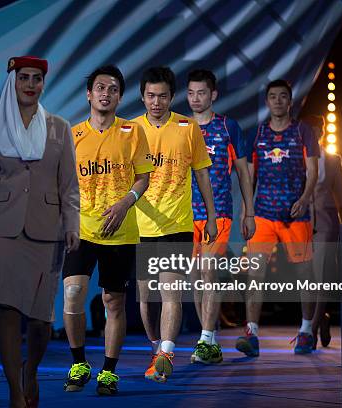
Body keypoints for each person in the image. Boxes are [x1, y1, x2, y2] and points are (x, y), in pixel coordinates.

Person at [0, 56, 80, 408]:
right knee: (9, 313)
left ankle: (30, 370)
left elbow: (70, 187)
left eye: (37, 79)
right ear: (12, 83)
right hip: (3, 232)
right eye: (24, 78)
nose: (30, 84)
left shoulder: (60, 128)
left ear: (43, 84)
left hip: (48, 231)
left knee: (42, 321)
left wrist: (73, 225)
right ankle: (15, 390)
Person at [61, 65, 153, 395]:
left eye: (113, 89)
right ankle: (78, 363)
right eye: (100, 87)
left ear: (119, 96)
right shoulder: (72, 135)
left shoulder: (132, 132)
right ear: (89, 94)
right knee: (72, 294)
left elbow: (143, 178)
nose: (106, 93)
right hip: (82, 230)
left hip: (121, 231)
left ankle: (108, 373)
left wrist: (125, 202)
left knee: (113, 302)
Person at [132, 66, 217, 383]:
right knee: (146, 299)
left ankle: (165, 354)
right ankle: (156, 345)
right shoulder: (131, 130)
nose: (156, 102)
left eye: (163, 96)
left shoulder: (187, 127)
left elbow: (202, 173)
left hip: (177, 224)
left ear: (171, 96)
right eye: (151, 96)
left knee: (171, 294)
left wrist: (209, 215)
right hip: (139, 227)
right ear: (142, 96)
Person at [239, 79, 319, 356]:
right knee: (254, 275)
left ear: (290, 101)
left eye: (282, 96)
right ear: (267, 102)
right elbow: (249, 176)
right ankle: (252, 333)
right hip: (262, 214)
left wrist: (305, 199)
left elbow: (313, 171)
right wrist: (246, 212)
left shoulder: (303, 132)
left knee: (304, 275)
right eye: (273, 97)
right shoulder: (258, 134)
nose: (277, 101)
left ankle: (306, 331)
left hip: (295, 215)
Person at [187, 69, 256, 364]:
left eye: (201, 93)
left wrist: (248, 212)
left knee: (209, 273)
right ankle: (210, 337)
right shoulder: (181, 128)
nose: (195, 98)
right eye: (190, 93)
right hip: (185, 215)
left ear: (213, 95)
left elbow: (242, 171)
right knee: (195, 279)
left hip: (219, 214)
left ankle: (206, 340)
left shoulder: (228, 127)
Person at [302, 114, 342, 348]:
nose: (313, 134)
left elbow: (341, 197)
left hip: (326, 224)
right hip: (301, 225)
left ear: (322, 132)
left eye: (317, 130)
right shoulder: (295, 159)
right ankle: (321, 318)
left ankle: (310, 328)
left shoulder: (333, 160)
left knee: (322, 277)